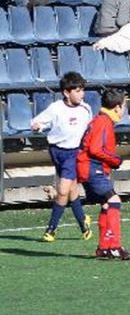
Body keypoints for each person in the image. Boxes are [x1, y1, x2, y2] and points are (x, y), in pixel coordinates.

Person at [32, 72, 94, 243]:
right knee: (72, 189)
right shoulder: (56, 108)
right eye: (77, 91)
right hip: (56, 151)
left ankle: (51, 229)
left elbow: (90, 131)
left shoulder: (86, 109)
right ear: (66, 92)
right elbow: (38, 121)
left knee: (62, 190)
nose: (82, 94)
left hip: (73, 153)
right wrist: (37, 126)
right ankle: (83, 223)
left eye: (82, 90)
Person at [76, 88, 130, 260]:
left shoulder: (101, 119)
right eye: (124, 106)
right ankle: (115, 246)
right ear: (117, 107)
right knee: (114, 200)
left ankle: (103, 248)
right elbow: (95, 149)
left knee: (107, 204)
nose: (124, 110)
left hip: (88, 168)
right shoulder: (104, 121)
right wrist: (115, 160)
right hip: (91, 168)